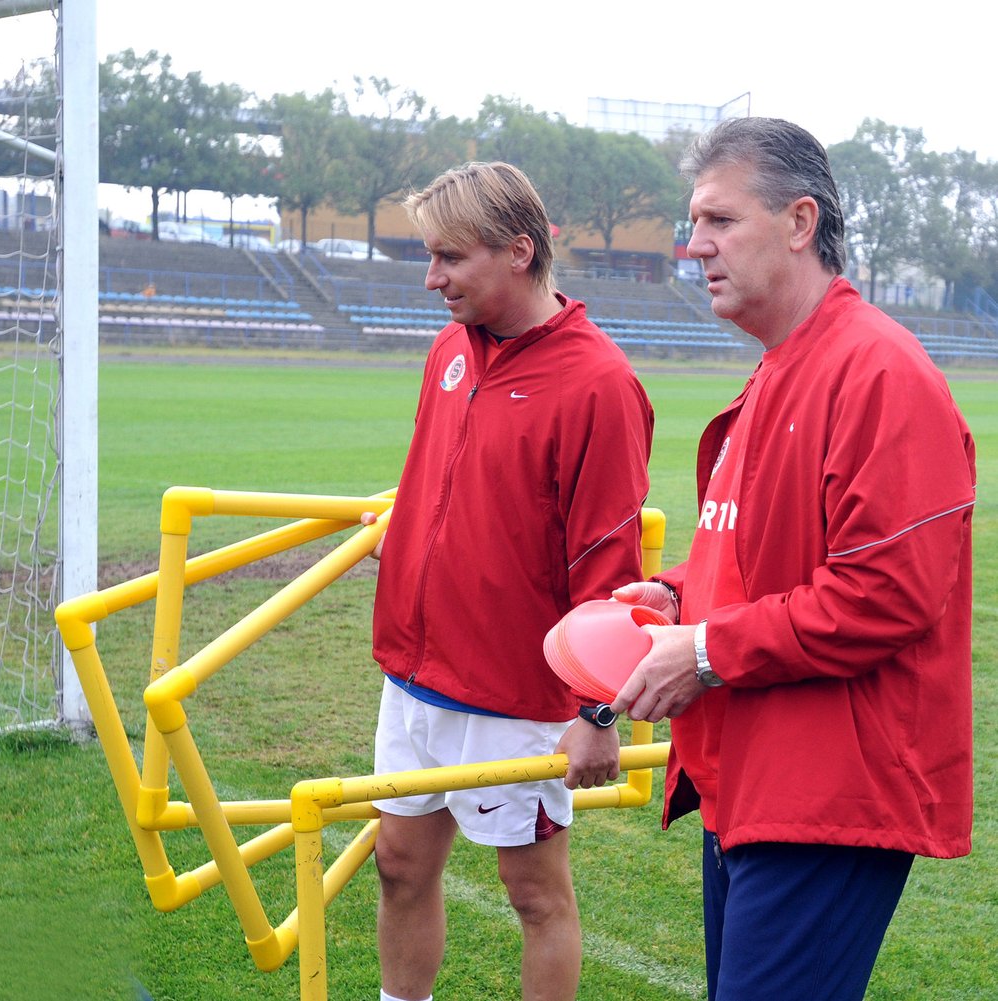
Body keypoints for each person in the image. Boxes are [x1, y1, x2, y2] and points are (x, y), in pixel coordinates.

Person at [609, 117, 976, 1001]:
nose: (693, 246)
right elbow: (758, 560)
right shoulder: (780, 369)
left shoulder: (878, 372)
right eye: (693, 223)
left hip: (830, 795)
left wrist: (702, 651)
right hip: (755, 778)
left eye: (719, 221)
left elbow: (884, 594)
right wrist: (675, 598)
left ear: (800, 221)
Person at [362, 161, 654, 1001]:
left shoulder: (599, 383)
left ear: (519, 251)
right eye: (430, 256)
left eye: (450, 257)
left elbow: (610, 569)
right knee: (398, 867)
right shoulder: (449, 348)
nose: (432, 278)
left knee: (534, 894)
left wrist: (597, 713)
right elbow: (446, 478)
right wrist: (412, 534)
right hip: (414, 675)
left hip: (516, 695)